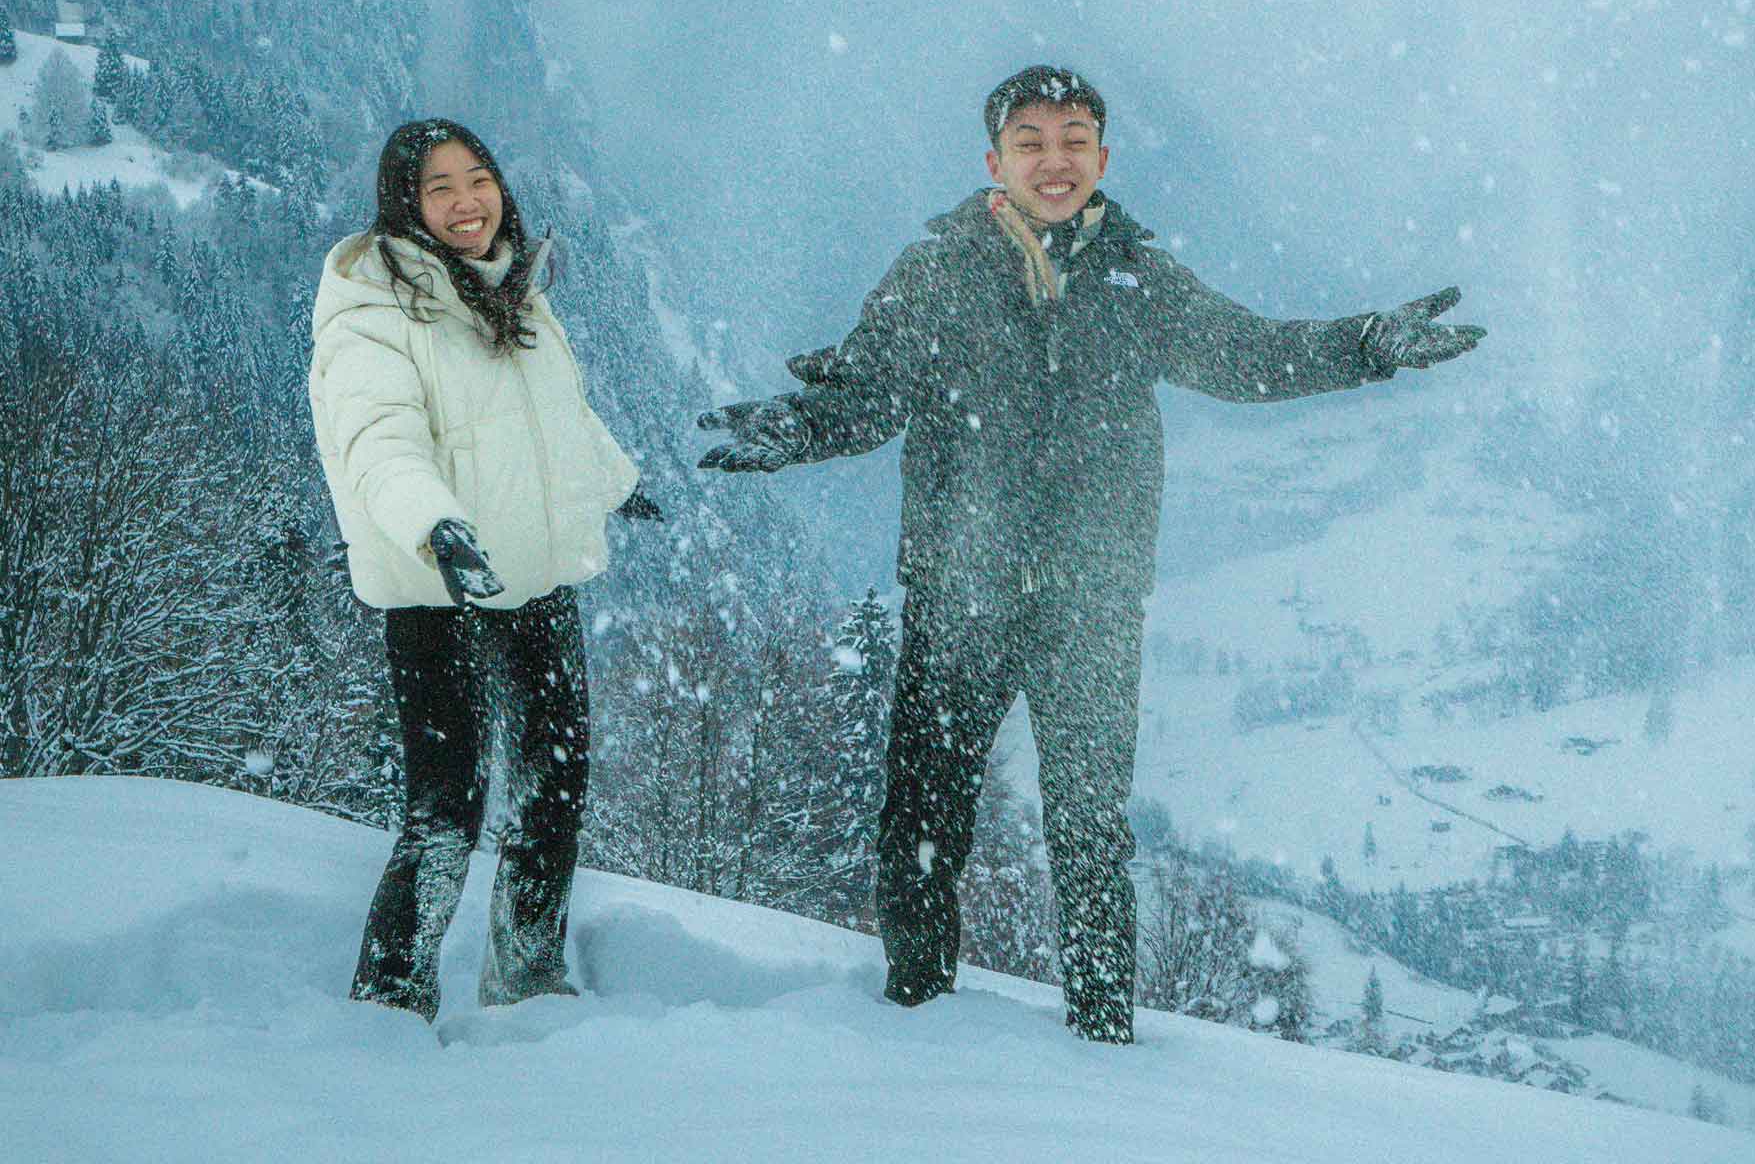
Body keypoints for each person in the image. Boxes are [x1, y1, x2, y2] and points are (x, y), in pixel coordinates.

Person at [696, 65, 1483, 1043]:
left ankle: (1103, 1044)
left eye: (1074, 139)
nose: (1054, 158)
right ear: (996, 162)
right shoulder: (939, 271)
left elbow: (1247, 355)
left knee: (1088, 837)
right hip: (957, 597)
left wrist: (1367, 344)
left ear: (1102, 160)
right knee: (920, 824)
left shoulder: (1136, 279)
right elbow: (871, 390)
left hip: (1092, 607)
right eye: (1031, 140)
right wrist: (797, 430)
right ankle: (912, 1025)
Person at [309, 118, 655, 1019]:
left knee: (555, 790)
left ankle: (527, 980)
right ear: (404, 206)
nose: (467, 204)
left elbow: (555, 420)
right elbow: (375, 440)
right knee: (447, 811)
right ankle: (389, 1002)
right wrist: (436, 526)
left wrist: (616, 483)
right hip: (439, 590)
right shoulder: (372, 305)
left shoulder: (512, 286)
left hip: (534, 581)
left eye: (479, 179)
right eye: (439, 188)